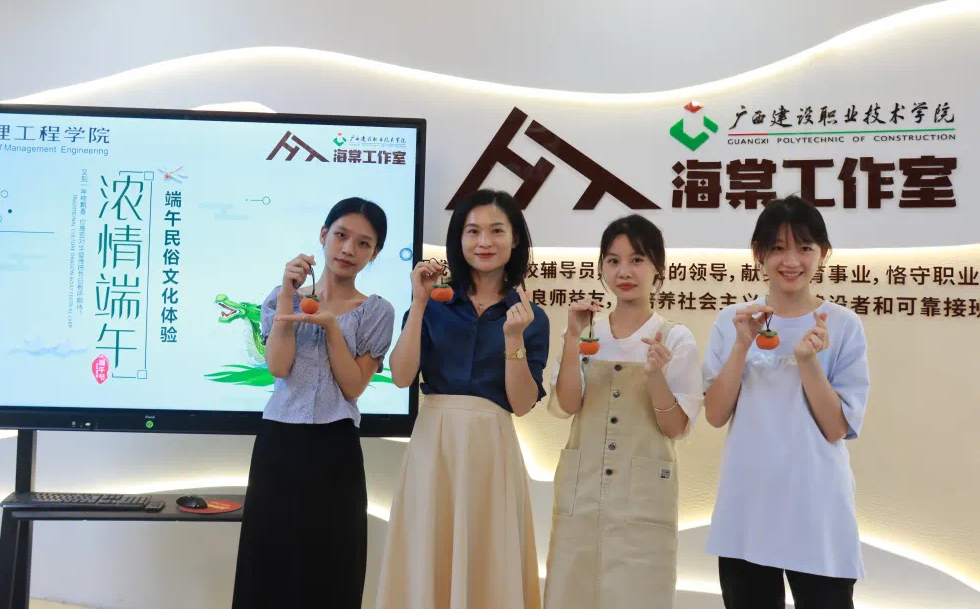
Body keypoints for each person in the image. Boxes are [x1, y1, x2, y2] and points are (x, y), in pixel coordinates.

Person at [375, 189, 549, 609]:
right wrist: (419, 304)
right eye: (473, 231)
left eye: (496, 231)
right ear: (459, 238)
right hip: (433, 443)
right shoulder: (435, 303)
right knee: (427, 551)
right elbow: (401, 376)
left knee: (489, 554)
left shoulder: (529, 316)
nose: (484, 242)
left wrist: (513, 339)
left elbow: (521, 403)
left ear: (515, 240)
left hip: (493, 446)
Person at [703, 195, 870, 609]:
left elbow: (836, 428)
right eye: (777, 248)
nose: (791, 260)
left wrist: (808, 361)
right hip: (748, 501)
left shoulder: (843, 325)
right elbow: (715, 414)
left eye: (805, 247)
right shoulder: (733, 321)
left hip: (816, 502)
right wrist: (741, 345)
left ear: (823, 254)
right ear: (759, 254)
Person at [231, 197, 395, 609]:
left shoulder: (377, 311)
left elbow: (353, 387)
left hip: (335, 446)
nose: (348, 249)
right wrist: (289, 295)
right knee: (268, 563)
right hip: (278, 443)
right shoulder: (280, 298)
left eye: (363, 243)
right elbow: (278, 366)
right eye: (341, 235)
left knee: (332, 564)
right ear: (323, 235)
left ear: (374, 253)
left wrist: (331, 328)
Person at [543, 214, 703, 609]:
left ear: (657, 268)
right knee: (571, 594)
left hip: (643, 501)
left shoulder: (675, 338)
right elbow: (567, 406)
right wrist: (571, 339)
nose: (624, 271)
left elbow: (675, 427)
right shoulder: (588, 332)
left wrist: (656, 375)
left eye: (637, 260)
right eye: (613, 261)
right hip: (582, 494)